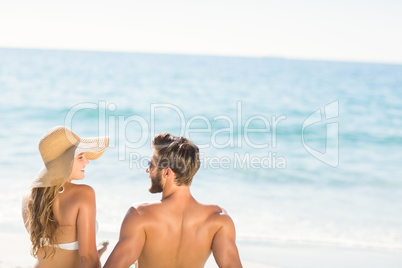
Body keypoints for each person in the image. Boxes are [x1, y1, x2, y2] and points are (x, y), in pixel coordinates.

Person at [104, 133, 242, 268]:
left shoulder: (141, 215)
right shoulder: (219, 220)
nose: (148, 171)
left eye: (151, 164)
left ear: (167, 172)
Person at [22, 126, 110, 268]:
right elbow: (87, 257)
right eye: (80, 157)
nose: (86, 162)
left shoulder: (30, 198)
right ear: (65, 161)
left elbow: (53, 250)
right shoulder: (83, 194)